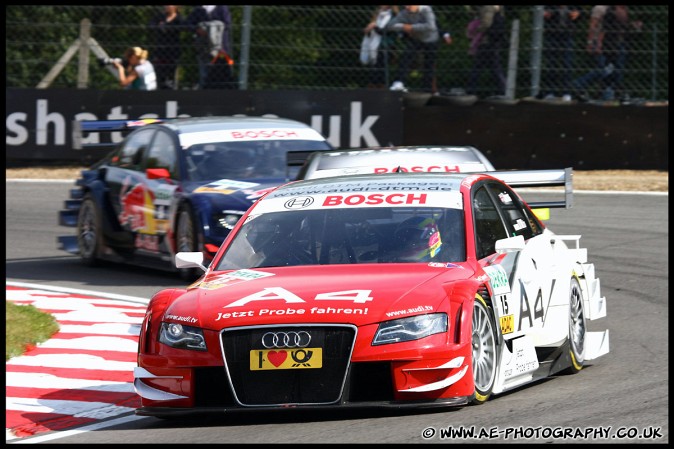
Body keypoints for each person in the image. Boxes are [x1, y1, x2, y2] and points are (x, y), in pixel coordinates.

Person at [572, 5, 642, 102]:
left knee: (615, 70)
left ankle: (612, 92)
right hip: (606, 43)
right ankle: (580, 84)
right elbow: (598, 27)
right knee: (606, 69)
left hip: (616, 43)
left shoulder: (622, 10)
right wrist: (593, 42)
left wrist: (632, 26)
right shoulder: (605, 9)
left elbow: (621, 27)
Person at [382, 5, 439, 93]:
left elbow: (431, 26)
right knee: (406, 58)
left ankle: (427, 89)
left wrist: (411, 27)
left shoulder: (426, 9)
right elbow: (390, 26)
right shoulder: (404, 13)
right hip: (416, 39)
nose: (407, 7)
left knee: (429, 65)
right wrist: (404, 26)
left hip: (431, 40)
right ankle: (399, 82)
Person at [539, 5, 581, 102]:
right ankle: (550, 91)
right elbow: (543, 13)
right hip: (552, 35)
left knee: (567, 64)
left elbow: (579, 12)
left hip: (567, 35)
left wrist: (577, 14)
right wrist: (545, 14)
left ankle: (567, 92)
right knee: (551, 63)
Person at [186, 5, 234, 89]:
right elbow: (188, 24)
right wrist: (198, 29)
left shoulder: (222, 7)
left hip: (221, 50)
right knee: (204, 76)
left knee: (223, 75)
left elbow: (227, 23)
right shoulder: (199, 9)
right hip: (204, 50)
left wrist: (213, 28)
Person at [467, 5, 507, 98]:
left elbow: (486, 23)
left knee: (478, 66)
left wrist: (476, 30)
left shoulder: (488, 7)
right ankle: (502, 90)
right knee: (494, 67)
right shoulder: (497, 8)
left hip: (486, 41)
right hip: (493, 41)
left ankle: (471, 89)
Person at [148, 5, 186, 90]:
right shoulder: (160, 16)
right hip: (160, 52)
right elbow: (151, 25)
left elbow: (182, 28)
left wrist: (166, 27)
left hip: (173, 53)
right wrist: (160, 26)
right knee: (160, 76)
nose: (167, 6)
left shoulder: (179, 18)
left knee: (172, 77)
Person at [362, 5, 398, 89]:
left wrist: (374, 26)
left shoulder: (393, 15)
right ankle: (373, 88)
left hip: (386, 46)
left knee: (380, 69)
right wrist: (368, 30)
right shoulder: (378, 15)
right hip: (374, 46)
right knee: (374, 68)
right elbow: (373, 32)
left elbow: (385, 32)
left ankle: (379, 88)